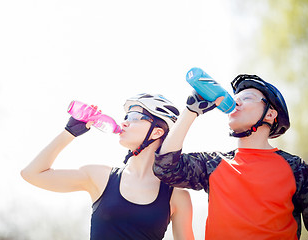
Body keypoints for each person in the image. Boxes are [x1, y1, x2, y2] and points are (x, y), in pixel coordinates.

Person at [152, 74, 308, 239]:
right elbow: (165, 167)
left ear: (270, 114)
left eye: (247, 97)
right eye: (235, 98)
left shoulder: (296, 169)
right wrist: (191, 110)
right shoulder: (213, 163)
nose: (236, 102)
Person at [21, 93, 195, 240]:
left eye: (134, 118)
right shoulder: (99, 176)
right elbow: (32, 174)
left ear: (157, 132)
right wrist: (69, 133)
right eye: (126, 117)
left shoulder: (177, 196)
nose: (125, 122)